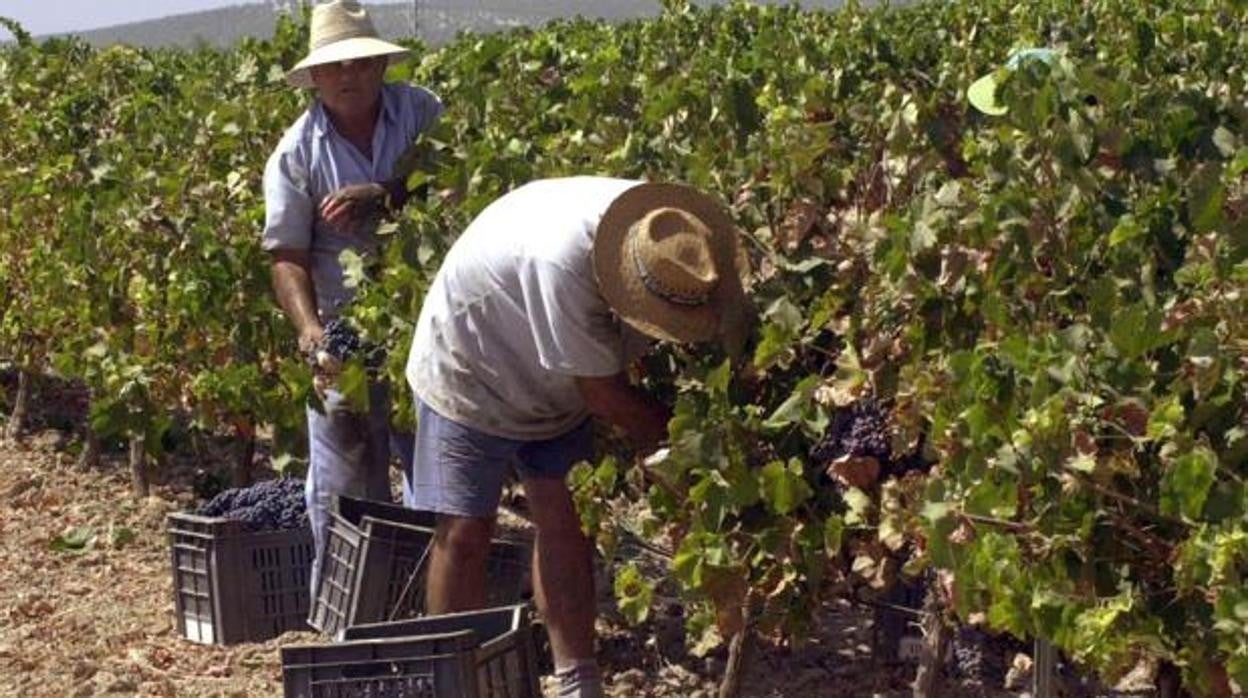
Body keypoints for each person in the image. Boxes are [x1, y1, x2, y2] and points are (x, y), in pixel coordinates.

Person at [404, 177, 753, 696]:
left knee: (566, 522)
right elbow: (606, 396)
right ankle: (451, 683)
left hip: (557, 378)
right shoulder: (562, 265)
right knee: (465, 533)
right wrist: (694, 457)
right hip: (471, 364)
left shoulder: (675, 237)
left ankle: (576, 679)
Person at [261, 0, 443, 594]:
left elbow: (456, 178)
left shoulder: (422, 112)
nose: (349, 75)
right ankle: (350, 608)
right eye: (336, 66)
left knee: (434, 465)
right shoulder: (295, 153)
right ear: (314, 76)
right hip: (344, 331)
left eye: (361, 62)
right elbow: (286, 255)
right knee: (345, 481)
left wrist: (386, 193)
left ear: (381, 66)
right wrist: (311, 332)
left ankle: (427, 597)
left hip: (428, 318)